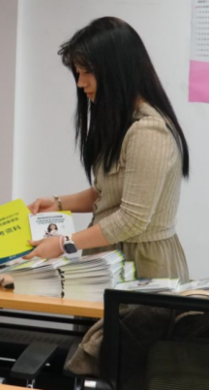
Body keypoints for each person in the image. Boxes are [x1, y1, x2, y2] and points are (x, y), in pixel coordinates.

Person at [26, 17, 189, 279]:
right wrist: (58, 203)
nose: (81, 83)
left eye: (87, 72)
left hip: (142, 264)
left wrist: (63, 243)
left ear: (116, 70)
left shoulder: (149, 131)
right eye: (78, 73)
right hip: (107, 256)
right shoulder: (121, 122)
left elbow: (132, 218)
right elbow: (108, 193)